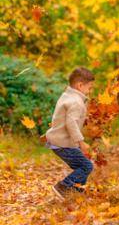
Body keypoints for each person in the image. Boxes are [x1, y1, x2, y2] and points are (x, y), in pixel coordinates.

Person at [46, 67, 94, 200]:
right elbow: (70, 123)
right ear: (80, 85)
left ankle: (77, 190)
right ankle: (63, 186)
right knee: (86, 166)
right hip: (63, 143)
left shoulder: (67, 96)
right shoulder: (76, 102)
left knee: (82, 165)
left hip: (58, 140)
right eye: (89, 88)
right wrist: (81, 142)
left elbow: (59, 118)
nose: (90, 91)